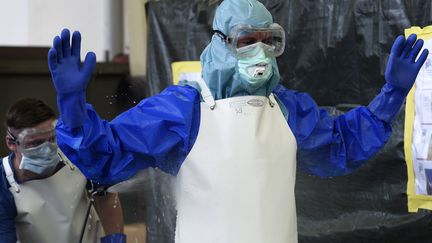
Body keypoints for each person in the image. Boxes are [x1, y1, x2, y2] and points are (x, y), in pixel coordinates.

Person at [47, 0, 429, 242]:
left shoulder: (288, 110)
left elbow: (342, 145)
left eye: (269, 40)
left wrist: (391, 95)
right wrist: (72, 103)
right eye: (247, 40)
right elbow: (106, 157)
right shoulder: (185, 109)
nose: (260, 51)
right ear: (219, 43)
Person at [0, 98, 126, 243]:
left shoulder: (76, 152)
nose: (47, 149)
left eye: (52, 139)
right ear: (11, 143)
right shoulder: (3, 182)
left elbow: (106, 197)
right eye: (36, 143)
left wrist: (115, 239)